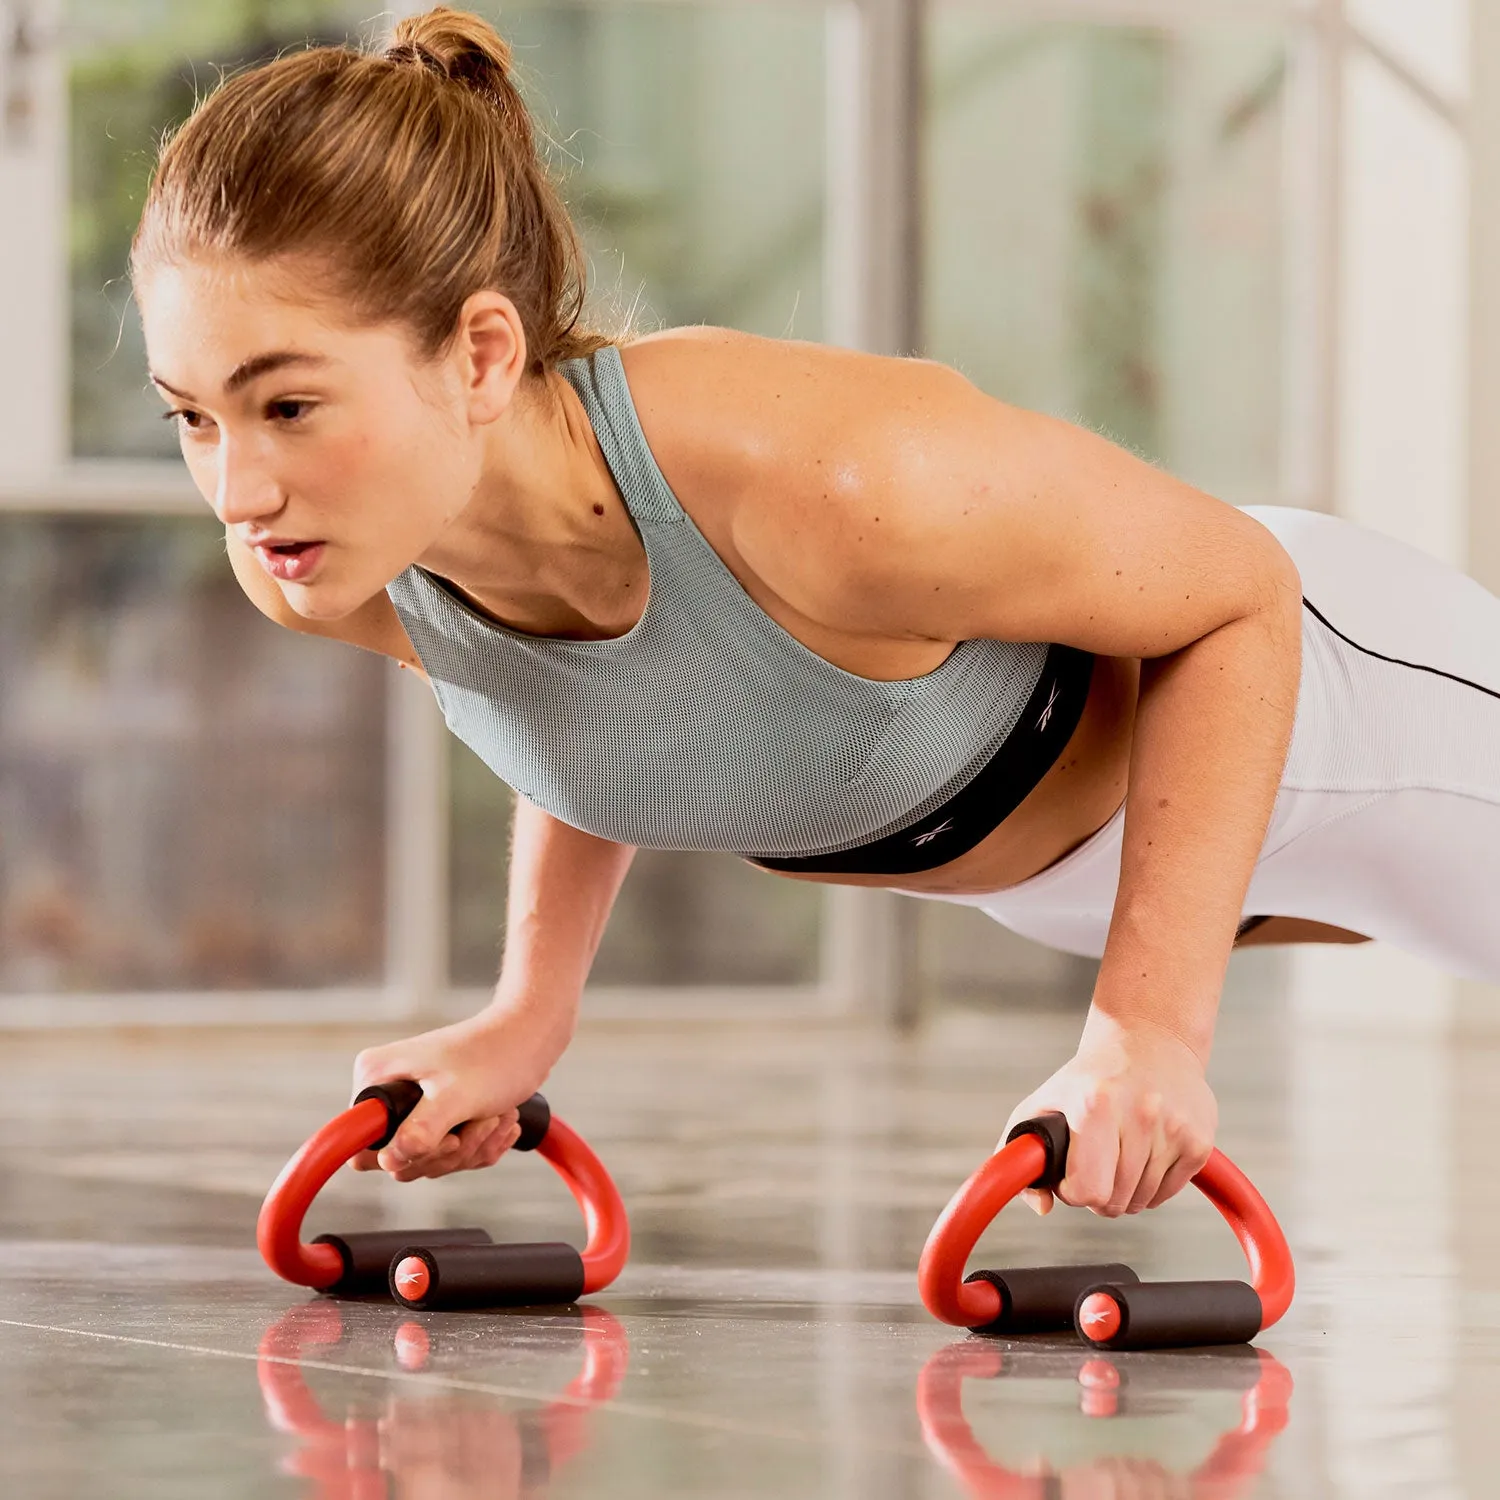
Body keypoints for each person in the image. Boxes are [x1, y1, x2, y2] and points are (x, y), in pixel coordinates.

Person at [130, 6, 1500, 1223]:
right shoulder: (329, 563)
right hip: (1099, 879)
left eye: (288, 404)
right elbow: (604, 699)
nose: (238, 487)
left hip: (1347, 725)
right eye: (192, 416)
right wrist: (525, 1017)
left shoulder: (835, 484)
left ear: (482, 352)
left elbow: (1236, 602)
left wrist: (1149, 1028)